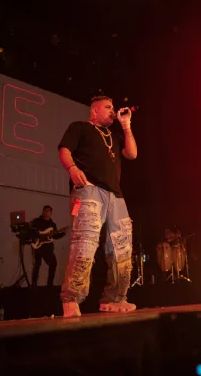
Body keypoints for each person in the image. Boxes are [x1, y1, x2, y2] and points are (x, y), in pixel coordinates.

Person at [57, 96, 138, 317]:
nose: (113, 111)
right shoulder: (80, 127)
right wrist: (72, 169)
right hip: (89, 189)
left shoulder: (115, 136)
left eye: (113, 108)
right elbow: (64, 150)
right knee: (84, 244)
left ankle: (114, 299)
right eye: (108, 107)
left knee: (122, 248)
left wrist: (126, 125)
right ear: (94, 111)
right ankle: (71, 299)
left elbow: (132, 154)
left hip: (115, 195)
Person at [30, 205, 65, 287]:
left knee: (53, 264)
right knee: (37, 265)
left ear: (51, 213)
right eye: (45, 211)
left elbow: (55, 236)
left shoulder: (52, 224)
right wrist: (37, 237)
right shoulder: (37, 221)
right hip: (38, 246)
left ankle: (50, 284)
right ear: (42, 212)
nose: (46, 212)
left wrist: (63, 232)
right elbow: (31, 231)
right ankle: (34, 284)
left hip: (48, 248)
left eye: (48, 211)